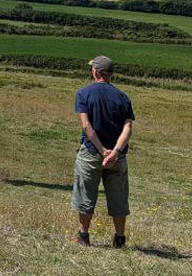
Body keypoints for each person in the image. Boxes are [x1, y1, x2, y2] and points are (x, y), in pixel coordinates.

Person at [71, 55, 135, 248]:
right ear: (110, 74)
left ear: (96, 72)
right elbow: (128, 128)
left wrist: (102, 151)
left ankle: (83, 236)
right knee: (118, 197)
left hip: (91, 153)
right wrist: (115, 152)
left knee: (86, 194)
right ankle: (119, 238)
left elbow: (86, 126)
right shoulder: (123, 97)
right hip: (118, 157)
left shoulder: (83, 93)